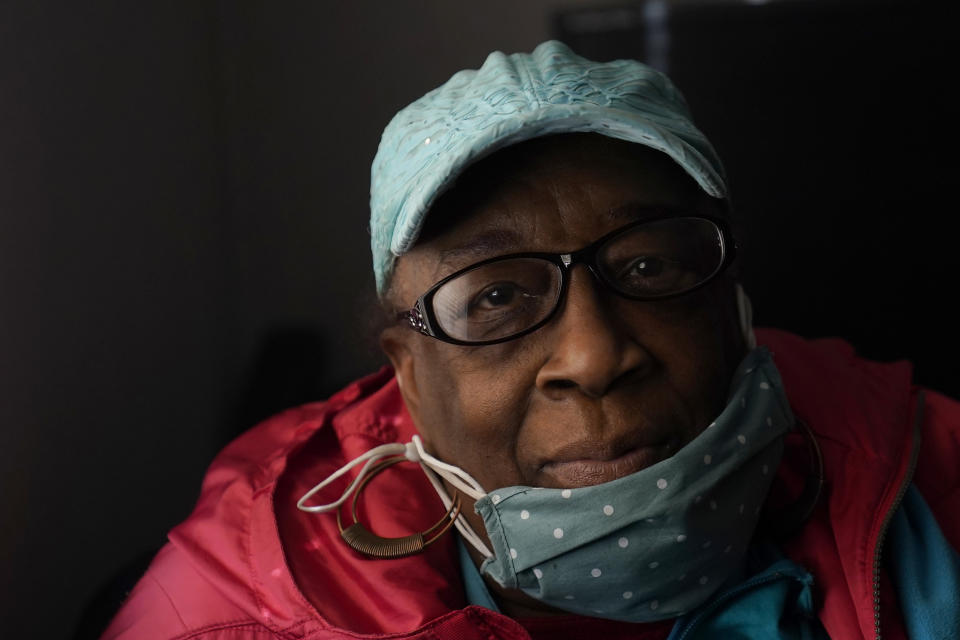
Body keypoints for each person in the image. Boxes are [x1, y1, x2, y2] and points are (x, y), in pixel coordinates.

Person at [102, 41, 960, 640]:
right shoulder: (231, 616)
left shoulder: (932, 478)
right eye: (498, 296)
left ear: (733, 308)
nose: (593, 356)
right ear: (406, 373)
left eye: (651, 265)